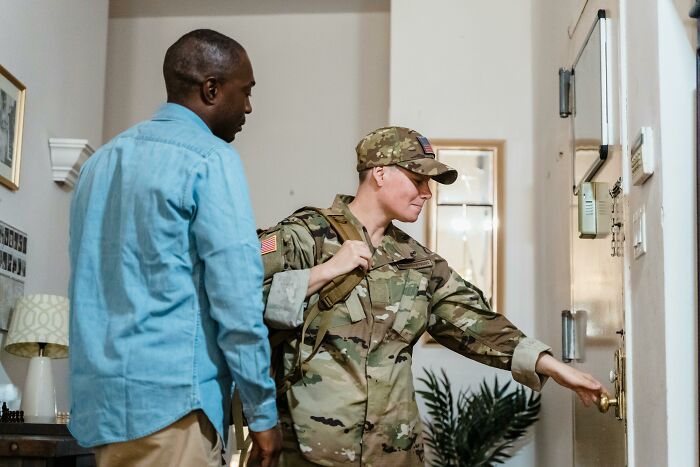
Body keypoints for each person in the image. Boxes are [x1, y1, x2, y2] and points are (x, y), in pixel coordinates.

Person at [258, 126, 606, 466]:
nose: (427, 192)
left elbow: (476, 325)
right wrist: (323, 272)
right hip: (310, 449)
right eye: (418, 179)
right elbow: (238, 304)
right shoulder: (305, 236)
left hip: (395, 451)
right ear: (379, 173)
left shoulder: (419, 262)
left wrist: (552, 366)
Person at [69, 29, 281, 467]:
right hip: (174, 409)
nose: (248, 107)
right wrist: (262, 414)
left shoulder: (99, 164)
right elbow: (237, 302)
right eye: (245, 92)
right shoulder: (210, 159)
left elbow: (88, 287)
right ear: (210, 89)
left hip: (102, 413)